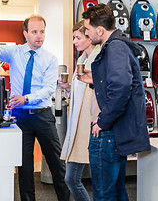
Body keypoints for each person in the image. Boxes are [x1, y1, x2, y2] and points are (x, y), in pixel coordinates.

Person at [0, 14, 70, 201]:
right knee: (25, 169)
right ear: (25, 33)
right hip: (20, 119)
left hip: (43, 116)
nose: (39, 36)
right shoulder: (15, 52)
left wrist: (25, 99)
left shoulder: (50, 59)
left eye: (42, 32)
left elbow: (48, 89)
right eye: (34, 32)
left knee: (57, 165)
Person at [78, 3, 151, 201]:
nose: (86, 33)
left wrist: (102, 121)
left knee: (104, 195)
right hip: (115, 132)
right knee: (117, 192)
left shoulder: (116, 47)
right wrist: (95, 80)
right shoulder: (118, 45)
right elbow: (118, 83)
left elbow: (120, 89)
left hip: (109, 132)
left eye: (87, 29)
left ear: (100, 30)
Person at [58, 20, 101, 201]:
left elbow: (98, 95)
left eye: (77, 37)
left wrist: (99, 121)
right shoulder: (82, 60)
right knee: (73, 178)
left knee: (73, 179)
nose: (74, 41)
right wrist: (68, 87)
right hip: (78, 126)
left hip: (91, 127)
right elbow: (80, 95)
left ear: (89, 37)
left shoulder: (98, 60)